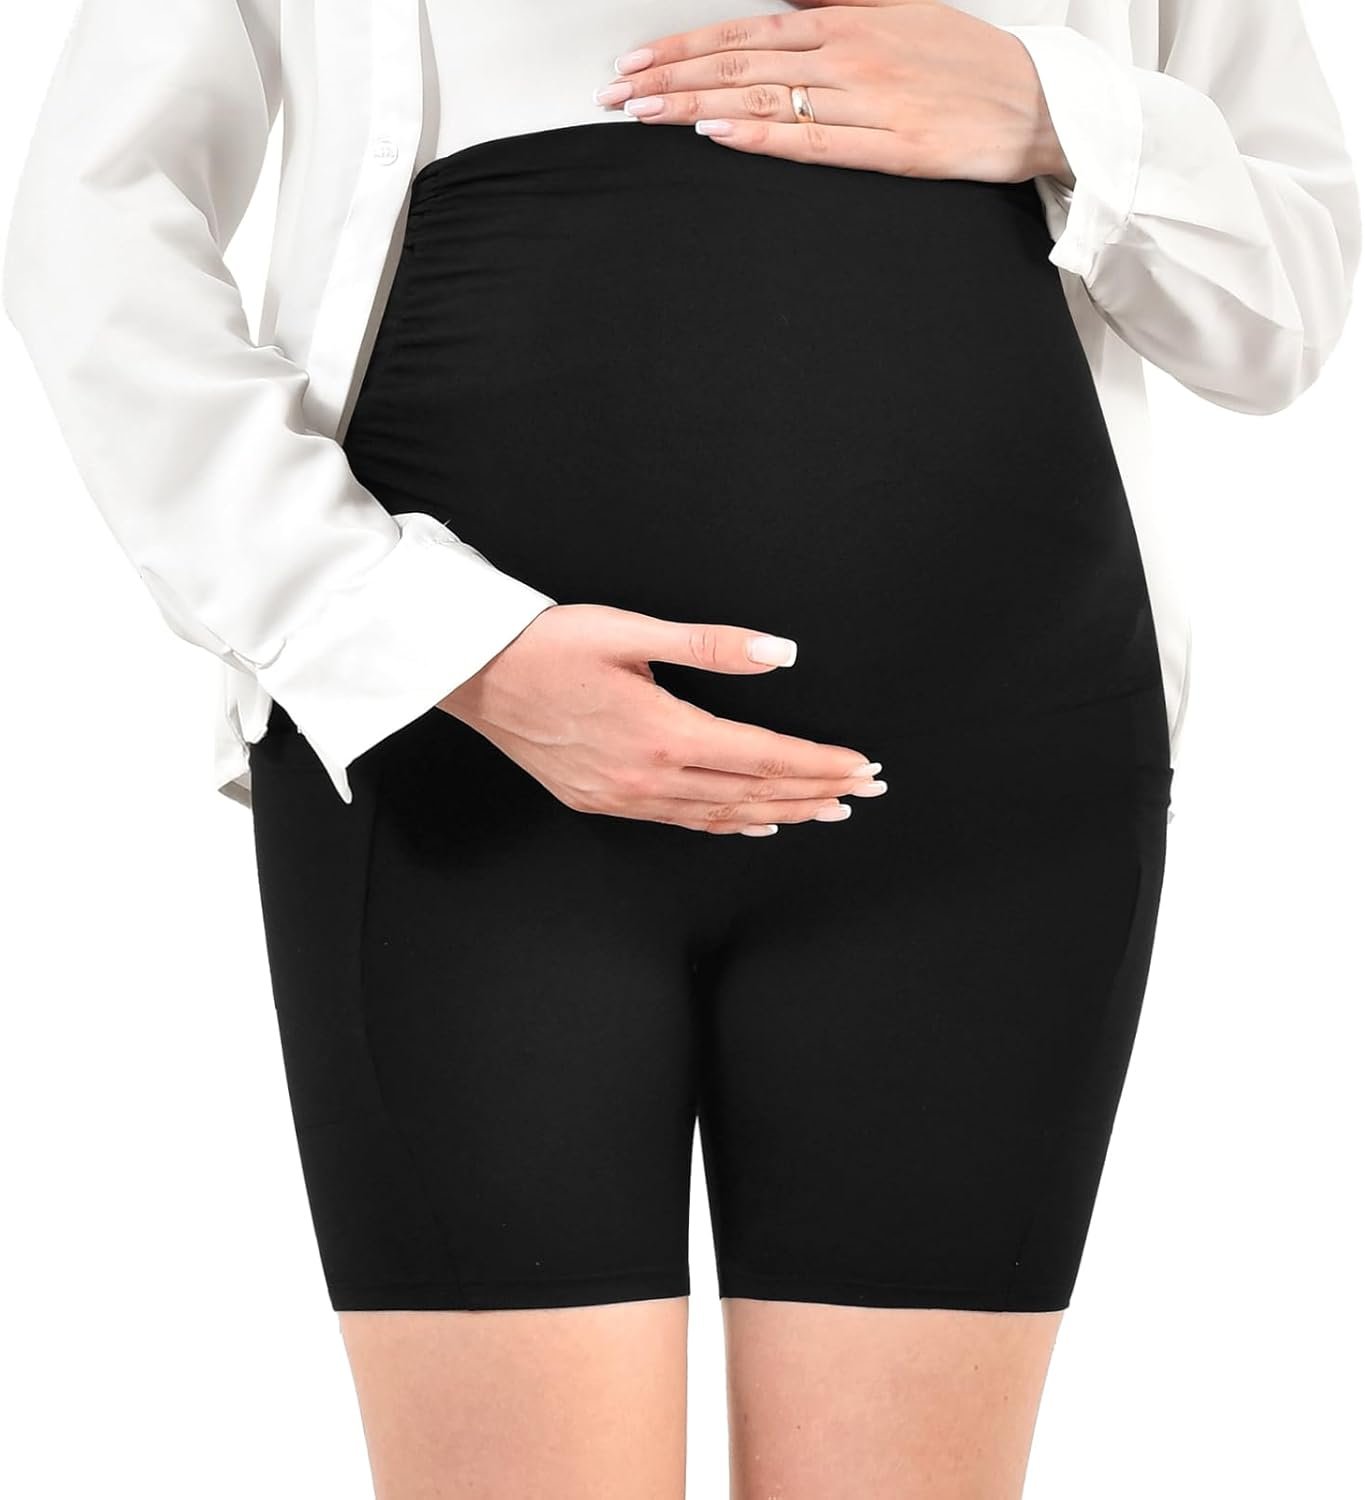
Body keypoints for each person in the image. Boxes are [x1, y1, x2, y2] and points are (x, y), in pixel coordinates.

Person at [4, 1, 1358, 1496]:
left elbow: (1279, 316)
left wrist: (1059, 114)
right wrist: (408, 634)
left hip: (987, 792)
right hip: (467, 774)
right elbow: (100, 214)